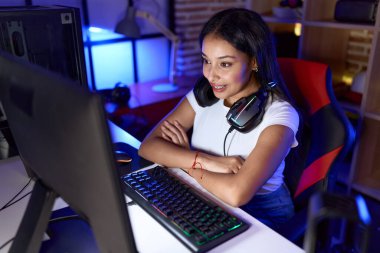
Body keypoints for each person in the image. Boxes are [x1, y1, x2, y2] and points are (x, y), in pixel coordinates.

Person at [138, 8, 299, 230]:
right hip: (206, 197)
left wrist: (185, 163)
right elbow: (148, 147)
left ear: (254, 61)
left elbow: (236, 194)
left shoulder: (280, 115)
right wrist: (208, 161)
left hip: (262, 215)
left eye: (224, 64)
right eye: (206, 60)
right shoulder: (204, 95)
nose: (210, 75)